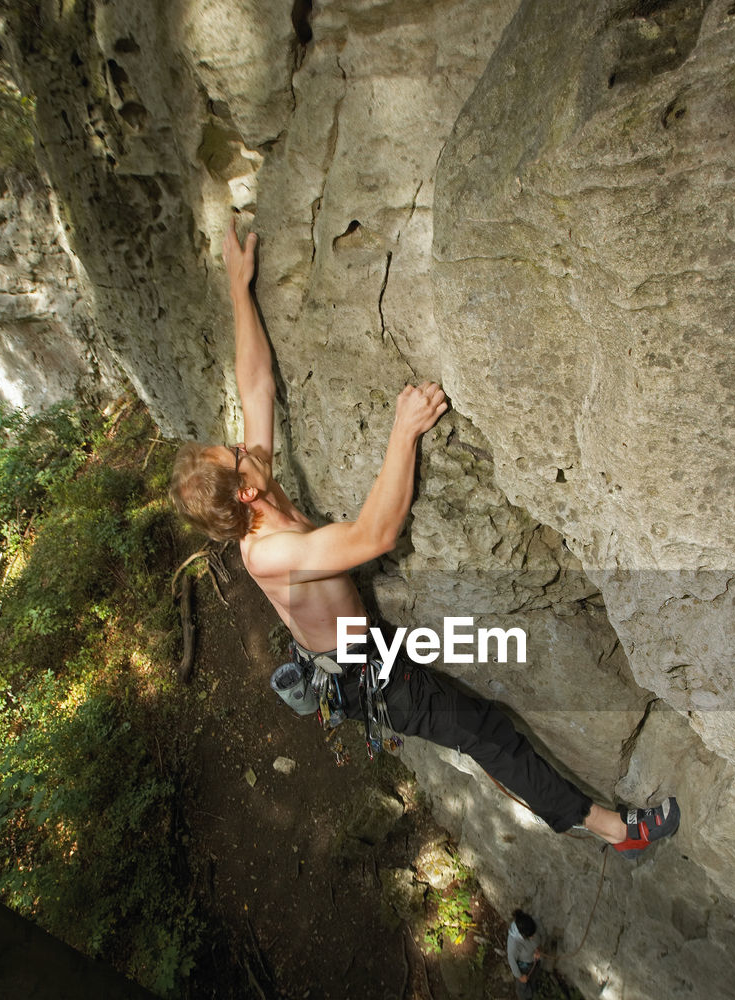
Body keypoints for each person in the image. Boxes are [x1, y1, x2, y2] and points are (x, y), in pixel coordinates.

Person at [171, 220, 681, 856]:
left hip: (364, 646)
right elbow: (375, 533)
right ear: (244, 491)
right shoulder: (272, 552)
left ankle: (581, 809)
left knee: (484, 713)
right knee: (488, 732)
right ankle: (613, 830)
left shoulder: (257, 494)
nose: (248, 443)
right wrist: (402, 431)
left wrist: (238, 289)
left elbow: (256, 385)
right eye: (239, 453)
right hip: (367, 677)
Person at [507, 909, 543, 1000]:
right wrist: (519, 976)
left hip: (534, 960)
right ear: (523, 936)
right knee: (522, 986)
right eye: (530, 936)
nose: (533, 937)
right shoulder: (513, 943)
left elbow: (537, 938)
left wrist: (538, 949)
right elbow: (512, 960)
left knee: (534, 977)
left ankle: (532, 991)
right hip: (524, 966)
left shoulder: (531, 924)